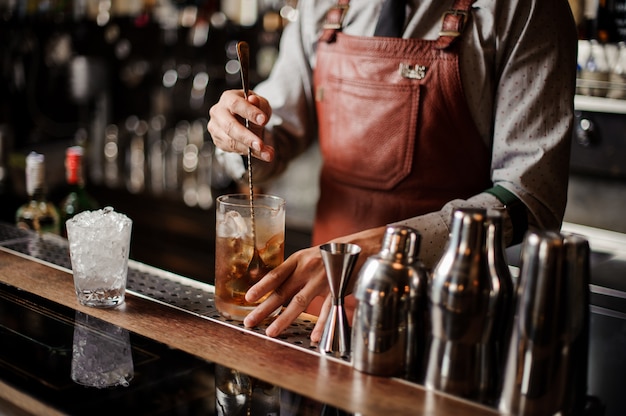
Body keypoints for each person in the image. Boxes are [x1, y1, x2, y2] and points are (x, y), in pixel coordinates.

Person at [207, 0, 578, 341]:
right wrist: (240, 135)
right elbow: (276, 136)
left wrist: (381, 250)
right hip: (321, 318)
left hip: (449, 332)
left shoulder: (525, 8)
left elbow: (530, 200)